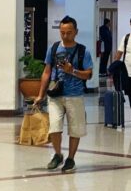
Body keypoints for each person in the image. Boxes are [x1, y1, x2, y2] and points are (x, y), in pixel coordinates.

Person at [33, 16, 93, 173]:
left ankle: (71, 159)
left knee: (75, 129)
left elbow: (88, 74)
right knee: (54, 127)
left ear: (76, 32)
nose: (65, 36)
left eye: (69, 32)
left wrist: (72, 70)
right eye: (62, 33)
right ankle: (58, 154)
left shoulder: (83, 51)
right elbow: (47, 72)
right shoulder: (53, 49)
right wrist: (40, 94)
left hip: (75, 95)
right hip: (55, 94)